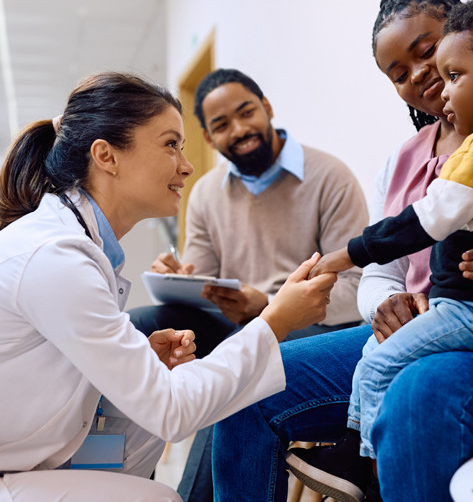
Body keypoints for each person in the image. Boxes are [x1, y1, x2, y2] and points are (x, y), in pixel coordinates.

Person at [211, 0, 473, 502]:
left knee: (417, 395)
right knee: (246, 382)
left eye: (431, 52)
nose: (421, 75)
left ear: (469, 34)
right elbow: (379, 272)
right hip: (422, 326)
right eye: (399, 74)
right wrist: (385, 303)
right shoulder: (402, 162)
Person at [0, 72, 336, 502]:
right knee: (160, 498)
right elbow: (171, 412)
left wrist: (139, 375)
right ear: (106, 156)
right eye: (170, 144)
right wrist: (274, 321)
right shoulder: (56, 257)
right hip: (15, 467)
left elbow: (126, 439)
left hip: (25, 458)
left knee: (141, 465)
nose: (187, 164)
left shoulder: (79, 248)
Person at [128, 68, 367, 501]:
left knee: (239, 365)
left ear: (267, 109)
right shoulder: (204, 194)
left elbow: (353, 290)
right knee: (139, 325)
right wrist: (182, 278)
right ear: (208, 135)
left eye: (246, 113)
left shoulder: (330, 176)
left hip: (306, 324)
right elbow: (206, 280)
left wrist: (269, 305)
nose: (239, 130)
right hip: (232, 321)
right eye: (221, 126)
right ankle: (124, 480)